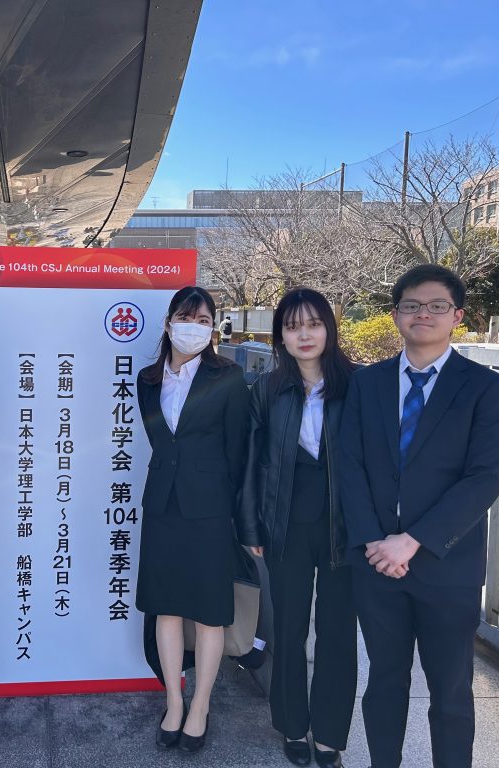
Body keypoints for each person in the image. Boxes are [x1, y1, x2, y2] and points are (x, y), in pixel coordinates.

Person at [340, 264, 499, 768]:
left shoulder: (483, 387)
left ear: (457, 316)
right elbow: (349, 465)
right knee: (384, 681)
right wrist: (375, 542)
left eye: (437, 306)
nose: (423, 314)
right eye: (412, 305)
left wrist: (411, 540)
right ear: (396, 314)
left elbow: (484, 477)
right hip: (377, 563)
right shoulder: (367, 383)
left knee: (451, 689)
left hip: (447, 564)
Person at [240, 287, 357, 768]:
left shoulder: (358, 385)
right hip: (284, 524)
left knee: (337, 633)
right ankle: (292, 724)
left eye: (313, 324)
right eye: (292, 327)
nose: (303, 335)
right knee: (288, 629)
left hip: (346, 528)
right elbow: (251, 463)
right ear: (280, 337)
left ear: (329, 328)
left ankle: (329, 733)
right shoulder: (268, 389)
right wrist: (251, 527)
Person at [135, 285, 251, 754]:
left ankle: (200, 705)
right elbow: (160, 441)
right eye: (186, 317)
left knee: (208, 612)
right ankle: (174, 701)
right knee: (166, 608)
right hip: (162, 504)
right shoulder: (147, 379)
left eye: (204, 320)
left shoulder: (229, 377)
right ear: (168, 324)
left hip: (210, 509)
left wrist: (238, 518)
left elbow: (239, 451)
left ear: (213, 328)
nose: (194, 327)